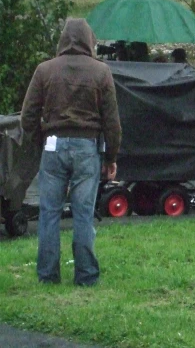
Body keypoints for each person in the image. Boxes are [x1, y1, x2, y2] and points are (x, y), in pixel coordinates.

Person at [20, 18, 121, 286]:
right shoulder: (101, 72)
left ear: (63, 39)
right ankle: (86, 276)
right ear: (90, 40)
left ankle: (47, 275)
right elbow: (112, 122)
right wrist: (110, 157)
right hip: (87, 148)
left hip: (52, 145)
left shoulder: (45, 70)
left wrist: (38, 142)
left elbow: (27, 115)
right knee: (83, 214)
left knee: (49, 212)